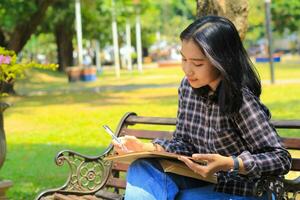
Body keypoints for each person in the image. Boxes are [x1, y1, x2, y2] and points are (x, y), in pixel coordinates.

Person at [112, 16, 292, 200]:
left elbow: (280, 158)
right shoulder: (187, 88)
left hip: (246, 190)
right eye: (183, 59)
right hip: (202, 180)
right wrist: (147, 147)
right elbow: (183, 142)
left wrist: (231, 163)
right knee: (142, 167)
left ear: (221, 61)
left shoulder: (240, 99)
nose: (187, 70)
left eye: (197, 63)